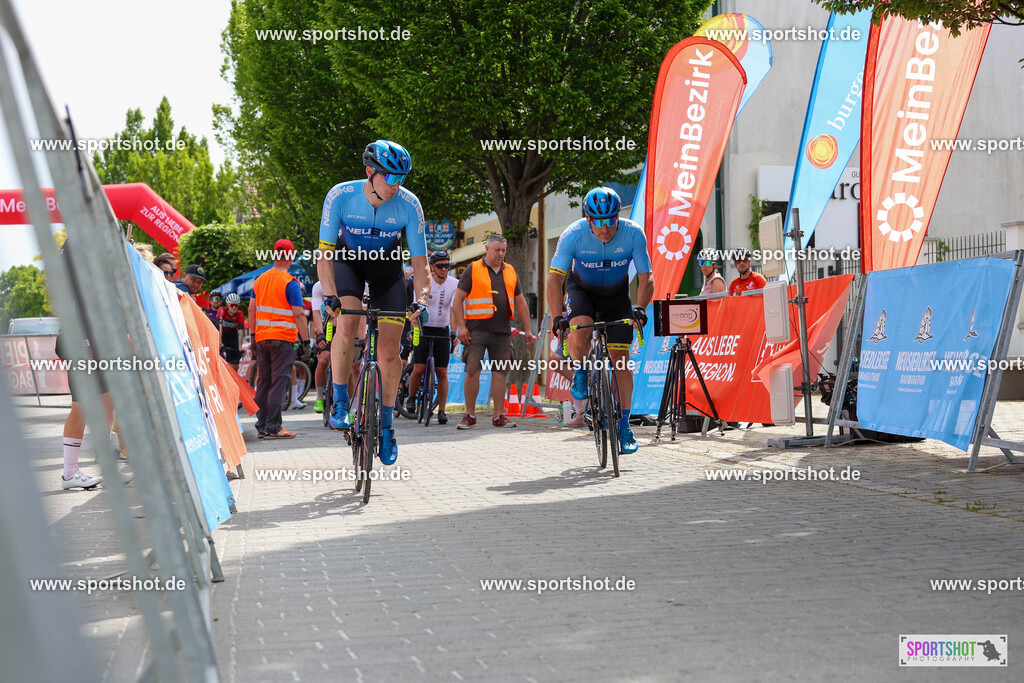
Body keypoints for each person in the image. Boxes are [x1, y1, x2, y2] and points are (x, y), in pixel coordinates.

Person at [315, 139, 429, 465]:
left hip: (387, 271)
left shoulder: (409, 205)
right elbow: (324, 255)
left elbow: (420, 265)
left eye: (402, 178)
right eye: (390, 177)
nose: (397, 185)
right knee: (348, 322)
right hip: (348, 263)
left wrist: (420, 300)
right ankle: (338, 400)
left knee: (390, 352)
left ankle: (388, 424)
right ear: (370, 172)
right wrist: (330, 295)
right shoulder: (340, 196)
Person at [545, 186, 654, 454]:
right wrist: (558, 315)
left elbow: (645, 277)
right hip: (581, 292)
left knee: (622, 363)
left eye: (610, 220)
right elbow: (555, 278)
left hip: (616, 297)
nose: (605, 228)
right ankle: (581, 370)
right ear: (588, 219)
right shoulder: (573, 235)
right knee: (579, 327)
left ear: (618, 216)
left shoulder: (633, 233)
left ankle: (625, 425)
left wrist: (640, 307)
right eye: (598, 221)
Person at [451, 234, 536, 429]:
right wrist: (461, 327)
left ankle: (499, 416)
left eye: (503, 250)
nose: (501, 254)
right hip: (476, 330)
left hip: (502, 331)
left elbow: (521, 301)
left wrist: (529, 330)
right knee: (472, 370)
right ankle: (469, 415)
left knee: (500, 372)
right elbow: (458, 300)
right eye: (497, 250)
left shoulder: (510, 271)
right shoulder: (473, 269)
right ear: (487, 249)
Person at [250, 239, 311, 438]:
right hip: (283, 339)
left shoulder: (259, 280)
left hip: (261, 338)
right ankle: (274, 427)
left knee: (264, 381)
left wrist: (252, 335)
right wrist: (306, 340)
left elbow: (252, 309)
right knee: (278, 382)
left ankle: (262, 426)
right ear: (291, 257)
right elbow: (299, 314)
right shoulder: (290, 283)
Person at [406, 250, 459, 425]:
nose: (444, 269)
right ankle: (411, 397)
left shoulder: (454, 284)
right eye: (440, 266)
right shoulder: (423, 283)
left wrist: (453, 333)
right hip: (423, 328)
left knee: (442, 372)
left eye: (446, 265)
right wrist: (413, 329)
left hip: (442, 330)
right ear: (432, 268)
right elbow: (415, 309)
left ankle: (442, 410)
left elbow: (454, 311)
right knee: (419, 368)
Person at [218, 293, 245, 370]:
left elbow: (240, 330)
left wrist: (240, 346)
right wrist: (219, 342)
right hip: (223, 335)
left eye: (236, 305)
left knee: (235, 362)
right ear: (227, 305)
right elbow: (219, 326)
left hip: (233, 336)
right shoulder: (222, 310)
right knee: (222, 355)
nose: (234, 307)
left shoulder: (240, 314)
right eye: (232, 305)